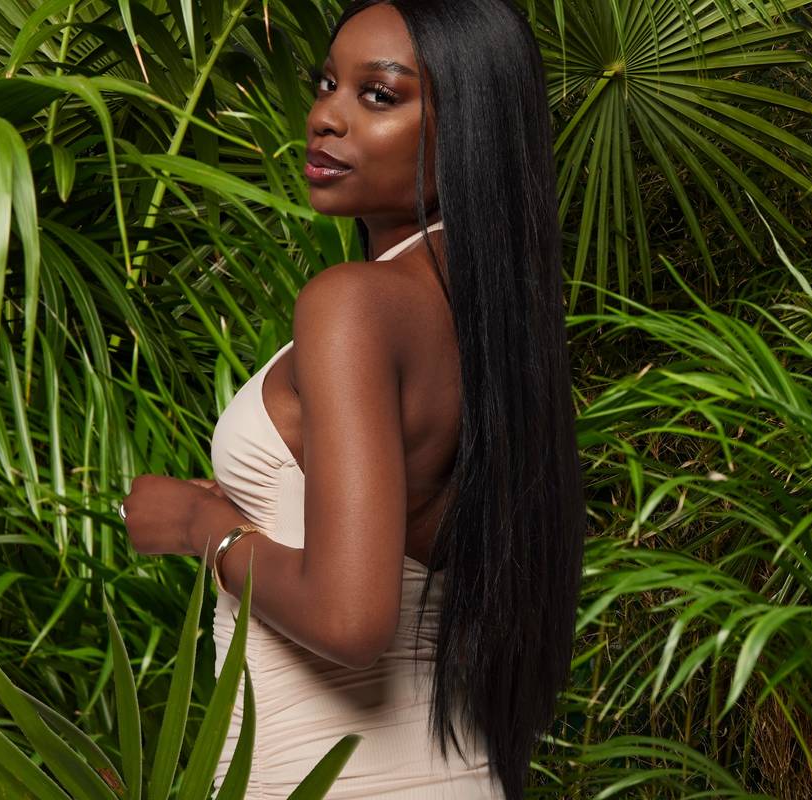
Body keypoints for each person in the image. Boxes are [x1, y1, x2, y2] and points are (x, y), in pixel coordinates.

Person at [121, 1, 586, 797]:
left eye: (379, 95)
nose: (326, 117)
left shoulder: (354, 304)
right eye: (326, 84)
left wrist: (203, 527)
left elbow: (351, 618)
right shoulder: (493, 322)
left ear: (468, 127)